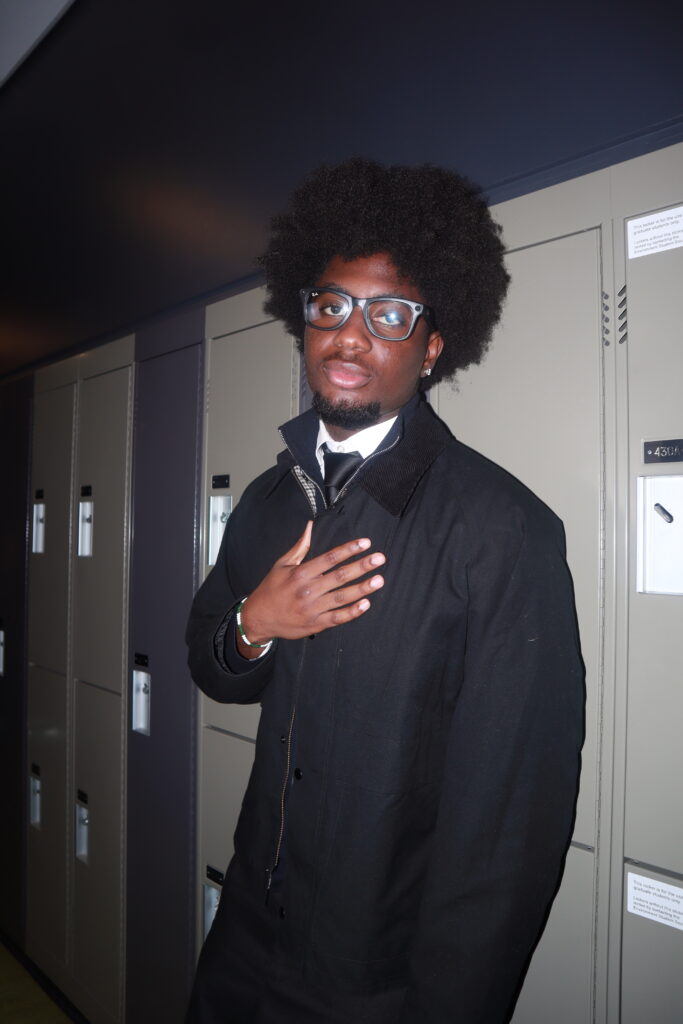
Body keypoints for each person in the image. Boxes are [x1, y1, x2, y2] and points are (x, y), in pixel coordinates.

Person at [185, 158, 584, 1023]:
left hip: (377, 977)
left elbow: (509, 826)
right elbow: (212, 666)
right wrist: (255, 622)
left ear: (432, 346)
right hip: (244, 938)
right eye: (330, 306)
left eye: (389, 314)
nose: (349, 335)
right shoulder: (267, 501)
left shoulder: (501, 529)